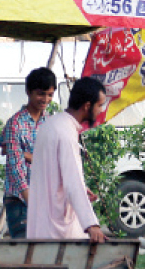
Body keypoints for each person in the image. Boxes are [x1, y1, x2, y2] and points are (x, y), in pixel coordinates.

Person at [26, 77, 106, 244]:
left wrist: (82, 189)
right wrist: (91, 224)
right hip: (57, 228)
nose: (100, 111)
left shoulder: (53, 124)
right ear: (87, 106)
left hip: (44, 222)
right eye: (99, 105)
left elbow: (58, 175)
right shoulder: (65, 132)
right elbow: (73, 181)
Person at [0, 67, 57, 238]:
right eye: (41, 94)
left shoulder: (50, 121)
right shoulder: (15, 123)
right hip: (19, 199)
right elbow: (15, 167)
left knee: (44, 252)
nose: (45, 99)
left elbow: (53, 159)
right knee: (24, 250)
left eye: (50, 95)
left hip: (44, 196)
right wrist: (30, 200)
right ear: (28, 92)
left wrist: (29, 156)